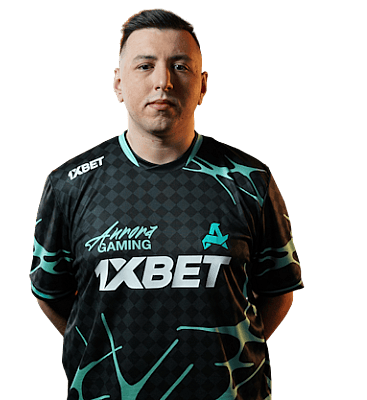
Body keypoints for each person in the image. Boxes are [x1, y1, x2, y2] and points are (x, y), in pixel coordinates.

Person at [30, 8, 304, 400]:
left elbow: (278, 291)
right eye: (145, 66)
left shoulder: (249, 179)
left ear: (203, 85)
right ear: (118, 83)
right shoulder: (69, 184)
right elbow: (52, 295)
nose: (163, 81)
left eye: (180, 66)